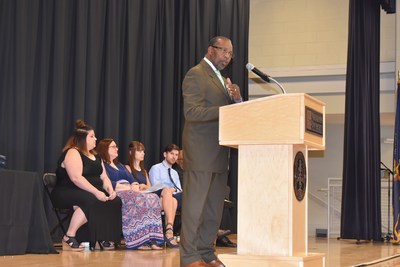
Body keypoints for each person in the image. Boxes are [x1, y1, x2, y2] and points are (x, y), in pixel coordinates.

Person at [180, 36, 242, 267]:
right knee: (195, 208)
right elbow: (192, 113)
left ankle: (206, 252)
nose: (227, 56)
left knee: (213, 210)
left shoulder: (222, 80)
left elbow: (226, 113)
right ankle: (189, 257)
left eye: (230, 53)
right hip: (201, 152)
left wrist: (236, 100)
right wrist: (226, 108)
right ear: (210, 49)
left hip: (220, 151)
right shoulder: (196, 73)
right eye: (223, 51)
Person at [51, 120, 122, 251]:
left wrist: (110, 190)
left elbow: (104, 177)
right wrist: (96, 192)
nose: (95, 139)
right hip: (66, 191)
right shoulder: (73, 152)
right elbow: (76, 178)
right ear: (82, 139)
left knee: (115, 201)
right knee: (91, 199)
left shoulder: (96, 157)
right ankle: (69, 236)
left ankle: (102, 236)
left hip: (87, 192)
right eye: (92, 136)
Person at [97, 139, 164, 250]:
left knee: (153, 197)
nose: (117, 149)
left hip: (131, 190)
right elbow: (107, 182)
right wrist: (128, 187)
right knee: (137, 199)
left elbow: (133, 180)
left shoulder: (120, 166)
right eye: (113, 147)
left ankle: (152, 239)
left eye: (116, 146)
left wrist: (134, 185)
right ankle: (137, 240)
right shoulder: (103, 165)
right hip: (118, 192)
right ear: (105, 149)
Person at [172, 149, 237, 248]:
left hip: (190, 194)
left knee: (220, 199)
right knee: (210, 201)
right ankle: (217, 234)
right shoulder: (176, 171)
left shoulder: (189, 170)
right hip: (182, 196)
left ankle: (220, 235)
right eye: (182, 159)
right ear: (178, 160)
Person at [148, 144, 183, 248]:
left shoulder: (175, 173)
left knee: (174, 199)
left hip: (172, 197)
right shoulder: (156, 168)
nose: (174, 157)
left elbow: (179, 189)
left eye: (176, 155)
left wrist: (172, 189)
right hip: (159, 197)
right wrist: (170, 189)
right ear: (165, 154)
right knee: (168, 193)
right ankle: (169, 231)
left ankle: (169, 230)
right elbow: (155, 186)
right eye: (172, 153)